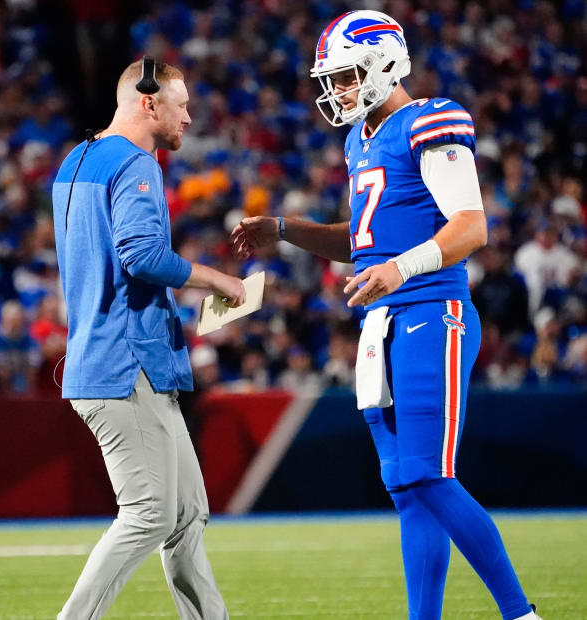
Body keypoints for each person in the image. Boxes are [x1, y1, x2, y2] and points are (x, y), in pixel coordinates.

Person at [232, 10, 542, 620]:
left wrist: (400, 270)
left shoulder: (431, 118)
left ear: (385, 61)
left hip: (432, 309)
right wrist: (285, 230)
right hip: (382, 322)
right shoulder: (360, 139)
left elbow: (471, 227)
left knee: (427, 474)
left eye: (347, 76)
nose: (339, 90)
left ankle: (521, 615)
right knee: (406, 489)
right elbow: (365, 238)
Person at [52, 57, 244, 620]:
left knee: (186, 515)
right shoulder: (137, 163)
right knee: (151, 513)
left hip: (103, 357)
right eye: (182, 105)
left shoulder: (75, 159)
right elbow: (141, 256)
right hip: (123, 364)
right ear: (149, 101)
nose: (189, 117)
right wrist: (220, 280)